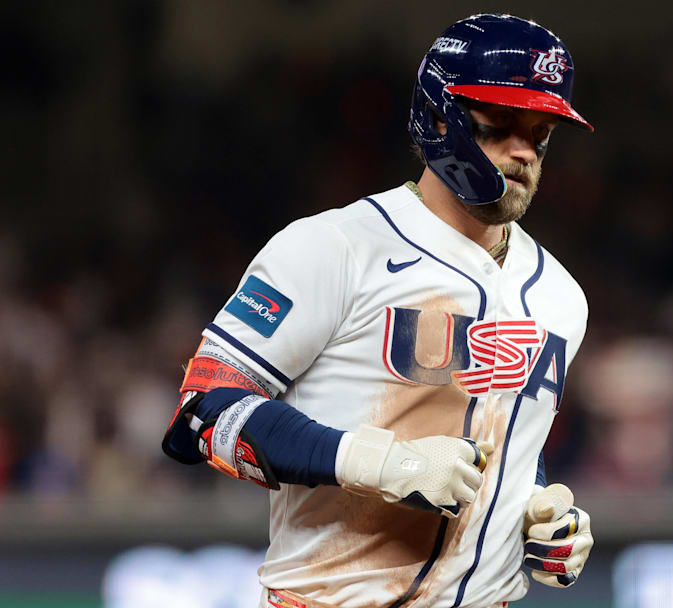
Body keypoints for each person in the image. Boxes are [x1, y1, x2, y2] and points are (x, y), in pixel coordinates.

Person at [162, 13, 594, 608]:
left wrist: (536, 508)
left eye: (541, 130)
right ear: (440, 117)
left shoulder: (562, 297)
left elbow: (502, 430)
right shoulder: (335, 246)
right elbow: (205, 411)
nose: (524, 151)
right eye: (502, 125)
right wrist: (380, 463)